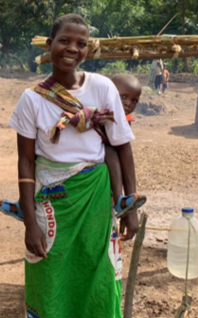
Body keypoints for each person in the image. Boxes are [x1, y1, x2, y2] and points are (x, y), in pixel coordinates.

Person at [3, 13, 140, 318]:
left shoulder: (103, 87)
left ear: (87, 51)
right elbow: (25, 161)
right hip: (50, 202)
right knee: (48, 270)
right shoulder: (31, 100)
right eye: (64, 40)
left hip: (96, 199)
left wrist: (129, 206)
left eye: (81, 43)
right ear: (50, 45)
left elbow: (122, 146)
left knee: (98, 272)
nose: (72, 48)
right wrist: (29, 223)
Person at [0, 73, 145, 220]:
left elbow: (122, 145)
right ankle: (23, 204)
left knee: (111, 152)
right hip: (52, 168)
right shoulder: (34, 97)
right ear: (112, 94)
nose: (128, 104)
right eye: (123, 97)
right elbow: (26, 160)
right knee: (35, 154)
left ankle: (119, 198)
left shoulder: (119, 114)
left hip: (97, 172)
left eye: (134, 101)